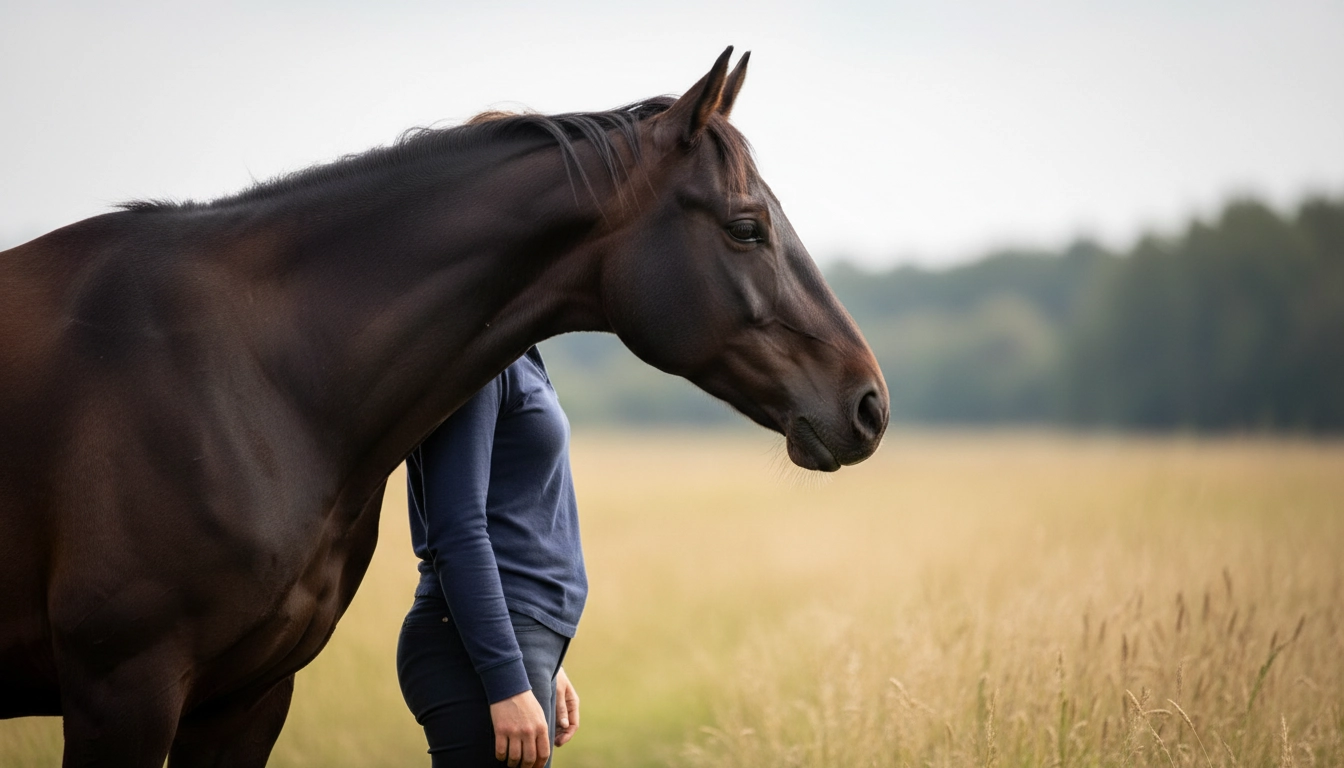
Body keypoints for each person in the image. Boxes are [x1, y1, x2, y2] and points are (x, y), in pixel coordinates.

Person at [397, 346, 585, 768]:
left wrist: (545, 664)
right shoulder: (480, 363)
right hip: (467, 653)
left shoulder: (521, 356)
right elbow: (457, 532)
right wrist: (507, 680)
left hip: (512, 639)